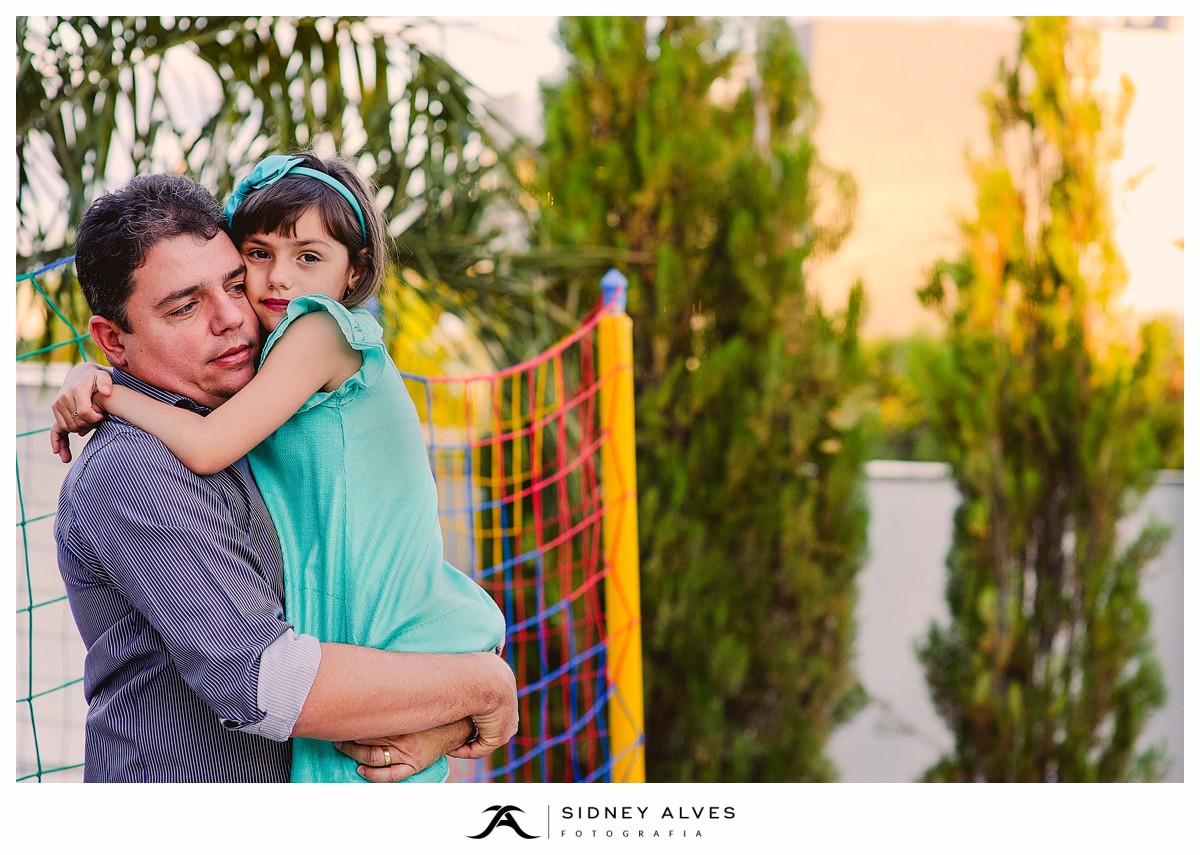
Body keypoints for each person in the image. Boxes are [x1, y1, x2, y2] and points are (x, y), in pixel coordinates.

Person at [51, 169, 516, 783]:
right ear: (113, 341)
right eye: (185, 306)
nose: (231, 317)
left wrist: (448, 716)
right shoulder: (138, 469)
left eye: (234, 284)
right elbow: (266, 682)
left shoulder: (258, 413)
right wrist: (480, 686)